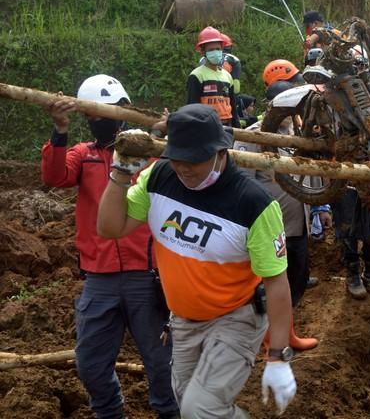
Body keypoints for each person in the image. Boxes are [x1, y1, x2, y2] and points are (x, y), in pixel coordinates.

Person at [97, 105, 297, 418]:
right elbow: (111, 228)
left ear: (220, 152)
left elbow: (276, 281)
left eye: (194, 160)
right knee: (189, 405)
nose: (184, 168)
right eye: (177, 158)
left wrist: (278, 357)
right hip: (184, 320)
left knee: (200, 409)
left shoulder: (253, 203)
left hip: (236, 317)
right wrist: (121, 172)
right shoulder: (160, 176)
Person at [41, 75, 178, 419]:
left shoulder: (148, 154)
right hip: (99, 278)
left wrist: (160, 135)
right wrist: (59, 130)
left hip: (145, 275)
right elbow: (55, 177)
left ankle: (170, 412)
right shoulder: (82, 155)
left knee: (161, 362)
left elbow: (173, 171)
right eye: (102, 113)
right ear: (90, 117)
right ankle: (110, 413)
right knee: (90, 363)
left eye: (118, 112)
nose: (111, 120)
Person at [234, 85, 333, 352]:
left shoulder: (298, 132)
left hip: (297, 222)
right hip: (268, 227)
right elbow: (243, 181)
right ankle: (266, 339)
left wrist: (320, 207)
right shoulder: (253, 135)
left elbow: (309, 170)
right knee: (268, 286)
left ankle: (287, 333)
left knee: (295, 281)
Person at [333, 45, 370, 299]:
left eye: (362, 67)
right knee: (347, 225)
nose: (360, 72)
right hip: (345, 169)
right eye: (356, 67)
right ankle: (353, 273)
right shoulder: (335, 98)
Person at [187, 26, 238, 127]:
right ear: (203, 52)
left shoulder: (227, 76)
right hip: (206, 126)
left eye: (218, 49)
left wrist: (237, 127)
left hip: (227, 125)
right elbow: (192, 107)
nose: (215, 52)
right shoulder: (197, 75)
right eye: (211, 50)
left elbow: (232, 104)